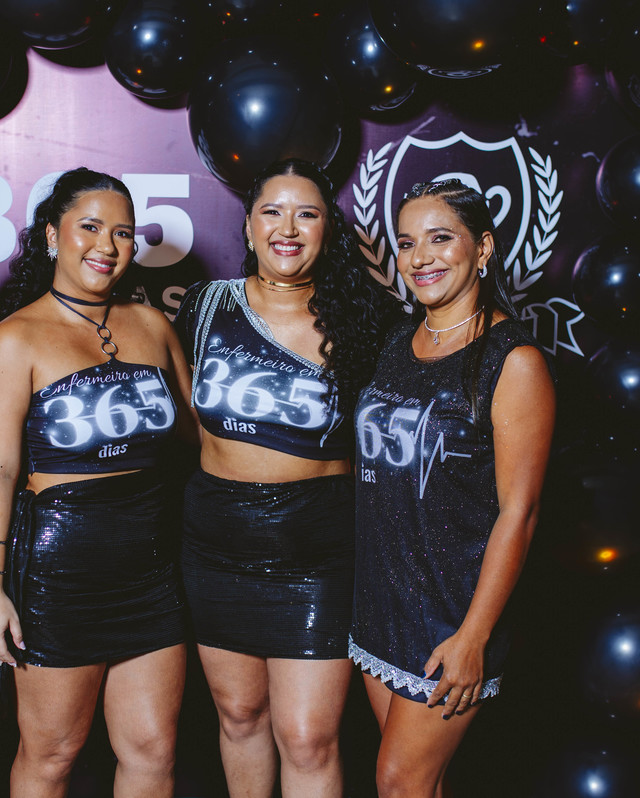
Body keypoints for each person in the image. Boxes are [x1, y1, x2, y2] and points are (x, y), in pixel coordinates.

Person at [176, 158, 403, 797]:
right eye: (272, 212)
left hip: (316, 550)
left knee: (307, 737)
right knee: (239, 716)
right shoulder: (205, 306)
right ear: (248, 226)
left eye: (307, 214)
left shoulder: (366, 318)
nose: (288, 228)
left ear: (328, 229)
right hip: (216, 543)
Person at [0, 168, 191, 797]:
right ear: (51, 235)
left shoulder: (152, 326)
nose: (107, 246)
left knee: (153, 751)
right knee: (52, 755)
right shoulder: (14, 340)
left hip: (152, 570)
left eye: (122, 233)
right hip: (61, 578)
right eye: (90, 227)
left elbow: (198, 439)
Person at [348, 179, 556, 796]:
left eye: (441, 238)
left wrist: (475, 636)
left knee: (399, 783)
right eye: (407, 243)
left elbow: (521, 512)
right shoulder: (398, 342)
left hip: (451, 614)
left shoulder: (512, 361)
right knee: (419, 785)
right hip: (382, 602)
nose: (421, 258)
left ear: (483, 248)